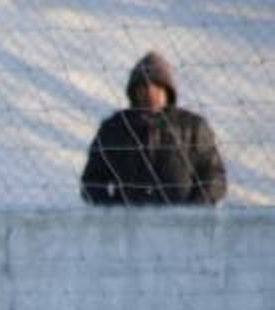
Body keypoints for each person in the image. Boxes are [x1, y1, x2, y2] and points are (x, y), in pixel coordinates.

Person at [80, 51, 226, 206]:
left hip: (180, 224)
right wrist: (112, 213)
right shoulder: (115, 127)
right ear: (134, 91)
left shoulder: (192, 127)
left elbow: (214, 176)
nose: (150, 92)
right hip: (128, 223)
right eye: (143, 86)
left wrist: (193, 211)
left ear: (167, 90)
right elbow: (92, 180)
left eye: (157, 86)